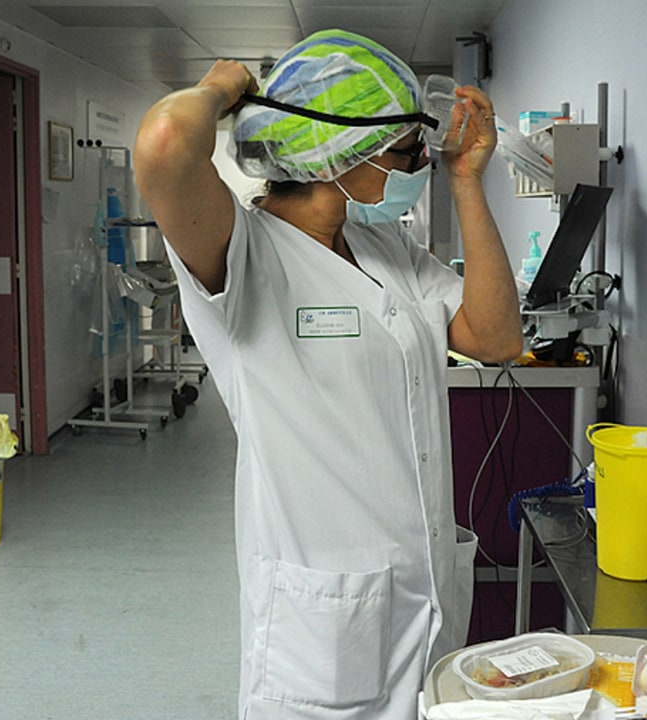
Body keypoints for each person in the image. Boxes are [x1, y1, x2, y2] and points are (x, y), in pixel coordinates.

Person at [133, 29, 522, 719]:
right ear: (338, 151)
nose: (414, 167)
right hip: (325, 632)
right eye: (404, 151)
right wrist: (224, 88)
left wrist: (466, 182)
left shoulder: (386, 248)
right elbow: (165, 142)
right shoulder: (242, 256)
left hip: (419, 605)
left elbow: (495, 338)